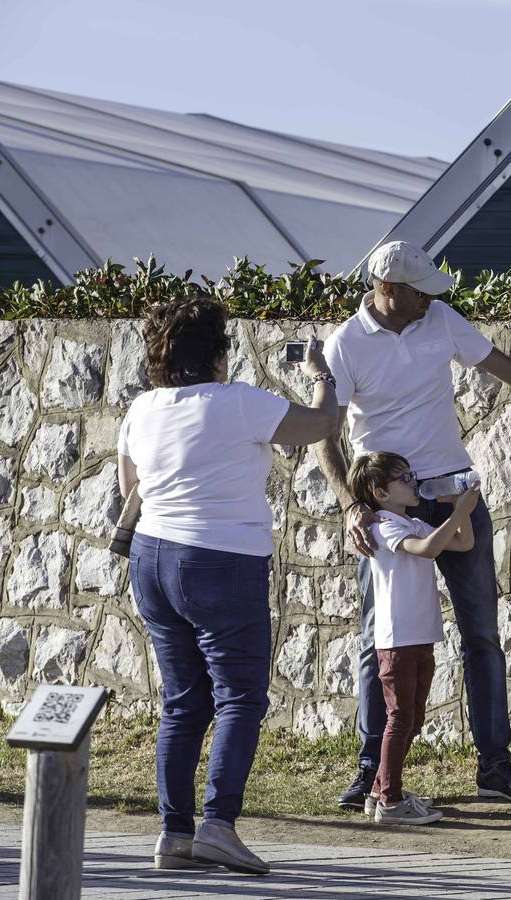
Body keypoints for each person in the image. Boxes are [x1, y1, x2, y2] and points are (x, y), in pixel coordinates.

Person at [317, 241, 511, 808]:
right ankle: (370, 772)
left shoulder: (440, 318)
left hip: (455, 496)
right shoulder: (345, 345)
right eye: (421, 290)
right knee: (374, 641)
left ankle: (495, 767)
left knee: (483, 634)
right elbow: (325, 436)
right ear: (388, 288)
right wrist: (352, 505)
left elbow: (506, 369)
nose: (432, 298)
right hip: (387, 512)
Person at [118, 294, 339, 874]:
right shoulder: (239, 401)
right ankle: (219, 824)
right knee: (239, 695)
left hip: (151, 557)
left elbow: (129, 487)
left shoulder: (143, 408)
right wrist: (322, 377)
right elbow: (320, 424)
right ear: (219, 352)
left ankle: (173, 833)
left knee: (182, 700)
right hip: (220, 558)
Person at [345, 451, 479, 826]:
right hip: (398, 638)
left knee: (413, 718)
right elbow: (428, 550)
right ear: (380, 493)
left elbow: (461, 543)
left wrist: (459, 506)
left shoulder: (413, 522)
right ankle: (389, 801)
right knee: (400, 717)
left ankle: (381, 789)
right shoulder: (383, 527)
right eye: (404, 479)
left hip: (419, 636)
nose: (413, 482)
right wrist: (458, 511)